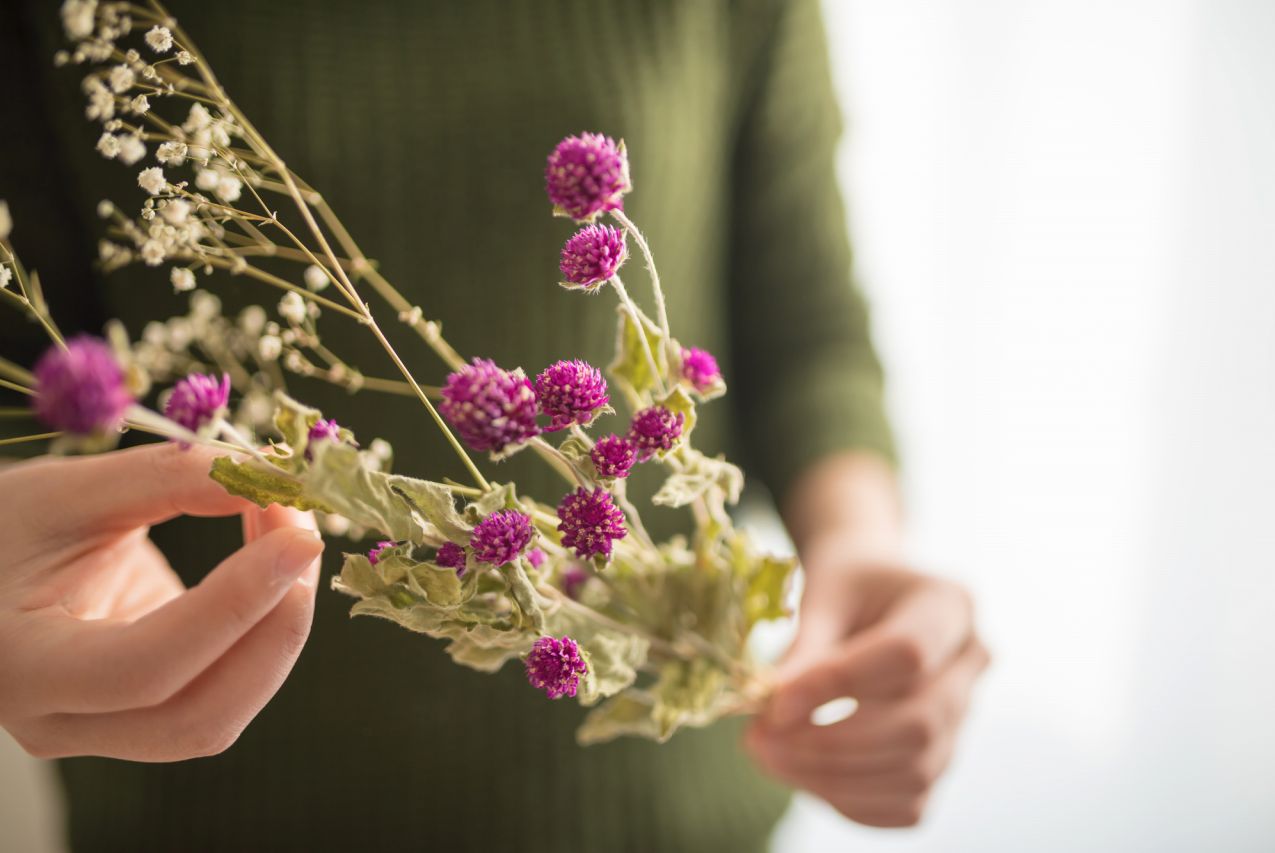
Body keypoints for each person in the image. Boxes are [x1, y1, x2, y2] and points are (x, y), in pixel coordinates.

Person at [0, 1, 987, 850]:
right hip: (223, 813)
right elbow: (22, 376)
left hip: (672, 806)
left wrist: (859, 549)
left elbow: (804, 331)